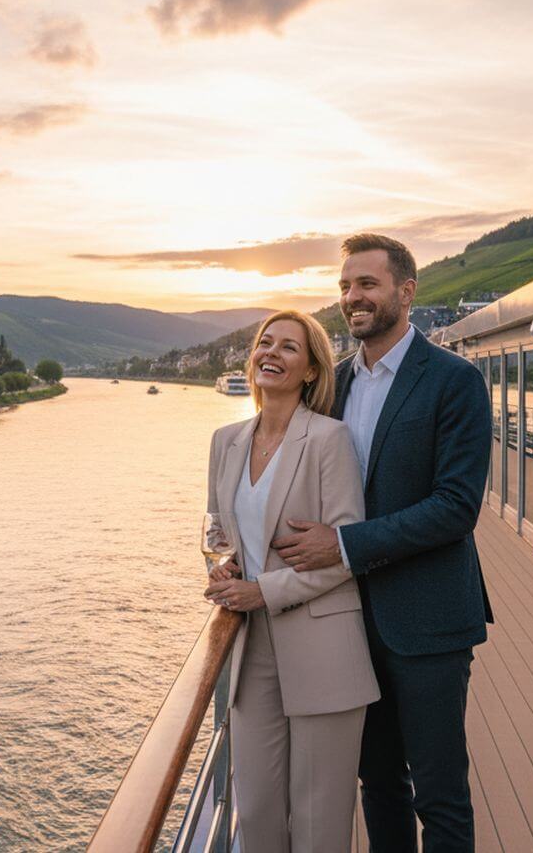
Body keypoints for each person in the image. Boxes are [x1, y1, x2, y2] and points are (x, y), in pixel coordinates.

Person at [272, 234, 493, 853]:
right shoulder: (330, 386)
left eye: (366, 284)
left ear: (406, 291)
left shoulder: (455, 382)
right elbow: (289, 476)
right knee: (379, 785)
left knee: (440, 794)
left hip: (428, 619)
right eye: (344, 286)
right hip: (348, 621)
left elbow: (456, 507)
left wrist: (343, 546)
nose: (352, 298)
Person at [203, 309, 379, 853]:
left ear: (309, 371)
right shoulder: (224, 440)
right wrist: (221, 568)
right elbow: (215, 532)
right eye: (264, 342)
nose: (270, 354)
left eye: (288, 347)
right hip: (251, 648)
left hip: (323, 645)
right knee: (255, 814)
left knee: (318, 822)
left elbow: (348, 549)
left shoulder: (329, 439)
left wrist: (263, 590)